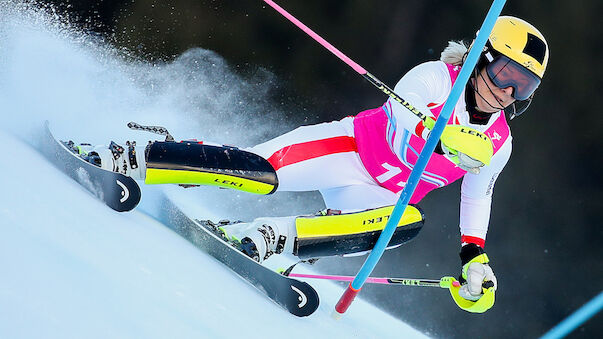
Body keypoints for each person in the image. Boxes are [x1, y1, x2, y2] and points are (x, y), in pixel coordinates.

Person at [83, 16, 548, 303]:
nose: (506, 92)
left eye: (522, 86)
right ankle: (135, 155)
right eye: (505, 73)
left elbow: (477, 196)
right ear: (481, 58)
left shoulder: (499, 142)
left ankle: (268, 238)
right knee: (254, 171)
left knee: (405, 223)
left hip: (375, 197)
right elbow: (406, 113)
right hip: (347, 152)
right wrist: (442, 136)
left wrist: (474, 256)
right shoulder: (437, 77)